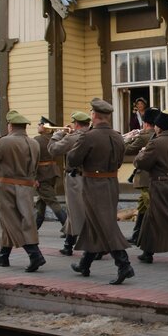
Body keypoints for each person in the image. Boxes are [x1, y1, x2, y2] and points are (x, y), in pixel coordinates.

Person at [67, 98, 134, 285]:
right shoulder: (117, 136)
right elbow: (120, 160)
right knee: (94, 223)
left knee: (105, 224)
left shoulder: (88, 136)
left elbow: (72, 159)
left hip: (94, 184)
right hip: (111, 181)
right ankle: (85, 264)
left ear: (94, 115)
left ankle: (124, 264)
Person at [0, 110, 45, 272]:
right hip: (27, 186)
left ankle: (34, 254)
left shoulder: (4, 142)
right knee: (23, 219)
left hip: (8, 187)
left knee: (11, 220)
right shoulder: (34, 143)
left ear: (10, 126)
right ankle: (3, 256)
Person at [133, 110, 168, 265]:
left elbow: (142, 163)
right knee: (151, 218)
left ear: (158, 126)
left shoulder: (155, 143)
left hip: (159, 184)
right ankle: (147, 252)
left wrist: (141, 153)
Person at [48, 111, 92, 256]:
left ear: (76, 124)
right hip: (89, 177)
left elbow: (53, 149)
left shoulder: (73, 137)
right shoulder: (92, 135)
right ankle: (68, 244)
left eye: (74, 123)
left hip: (75, 178)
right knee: (75, 211)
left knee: (76, 211)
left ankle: (91, 247)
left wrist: (58, 134)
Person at [124, 108, 159, 245]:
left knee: (150, 208)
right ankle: (137, 234)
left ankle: (150, 237)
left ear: (145, 123)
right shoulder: (155, 135)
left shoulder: (143, 137)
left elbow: (125, 149)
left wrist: (129, 138)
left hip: (145, 178)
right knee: (142, 207)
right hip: (152, 177)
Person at [33, 117, 67, 231]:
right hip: (52, 173)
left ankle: (68, 228)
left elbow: (33, 160)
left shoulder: (37, 140)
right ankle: (34, 228)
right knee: (41, 202)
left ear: (45, 127)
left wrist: (33, 178)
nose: (38, 126)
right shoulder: (54, 139)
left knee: (52, 201)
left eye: (39, 124)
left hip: (41, 175)